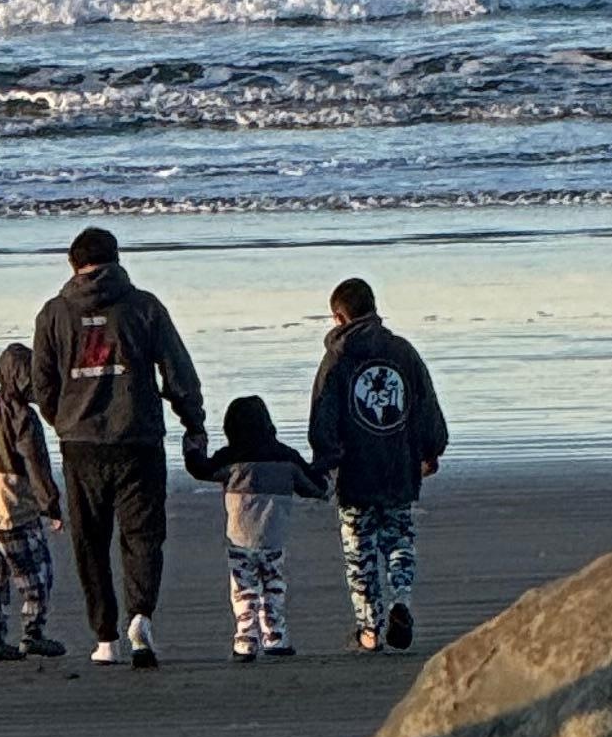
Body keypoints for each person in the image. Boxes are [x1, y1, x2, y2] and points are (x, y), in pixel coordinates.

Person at [31, 222, 204, 667]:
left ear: (74, 265)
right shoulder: (144, 307)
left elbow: (42, 384)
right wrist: (192, 420)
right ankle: (140, 615)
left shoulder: (53, 313)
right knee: (143, 535)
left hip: (82, 443)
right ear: (117, 259)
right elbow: (177, 371)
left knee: (90, 540)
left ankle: (105, 637)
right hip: (137, 437)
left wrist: (64, 421)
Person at [307, 274, 447, 653]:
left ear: (339, 318)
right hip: (399, 465)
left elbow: (324, 414)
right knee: (399, 540)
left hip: (355, 471)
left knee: (361, 552)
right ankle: (400, 599)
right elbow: (425, 404)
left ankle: (369, 629)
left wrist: (326, 461)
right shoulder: (403, 351)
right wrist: (431, 449)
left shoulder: (336, 359)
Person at [185, 392, 327, 660]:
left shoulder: (231, 458)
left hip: (239, 538)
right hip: (274, 536)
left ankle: (246, 639)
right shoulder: (287, 458)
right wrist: (327, 465)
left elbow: (201, 469)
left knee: (243, 588)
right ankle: (275, 636)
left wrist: (194, 444)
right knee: (274, 585)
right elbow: (315, 488)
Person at [0, 342, 66, 662]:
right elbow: (35, 464)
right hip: (15, 507)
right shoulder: (23, 417)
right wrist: (50, 505)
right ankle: (33, 633)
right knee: (35, 573)